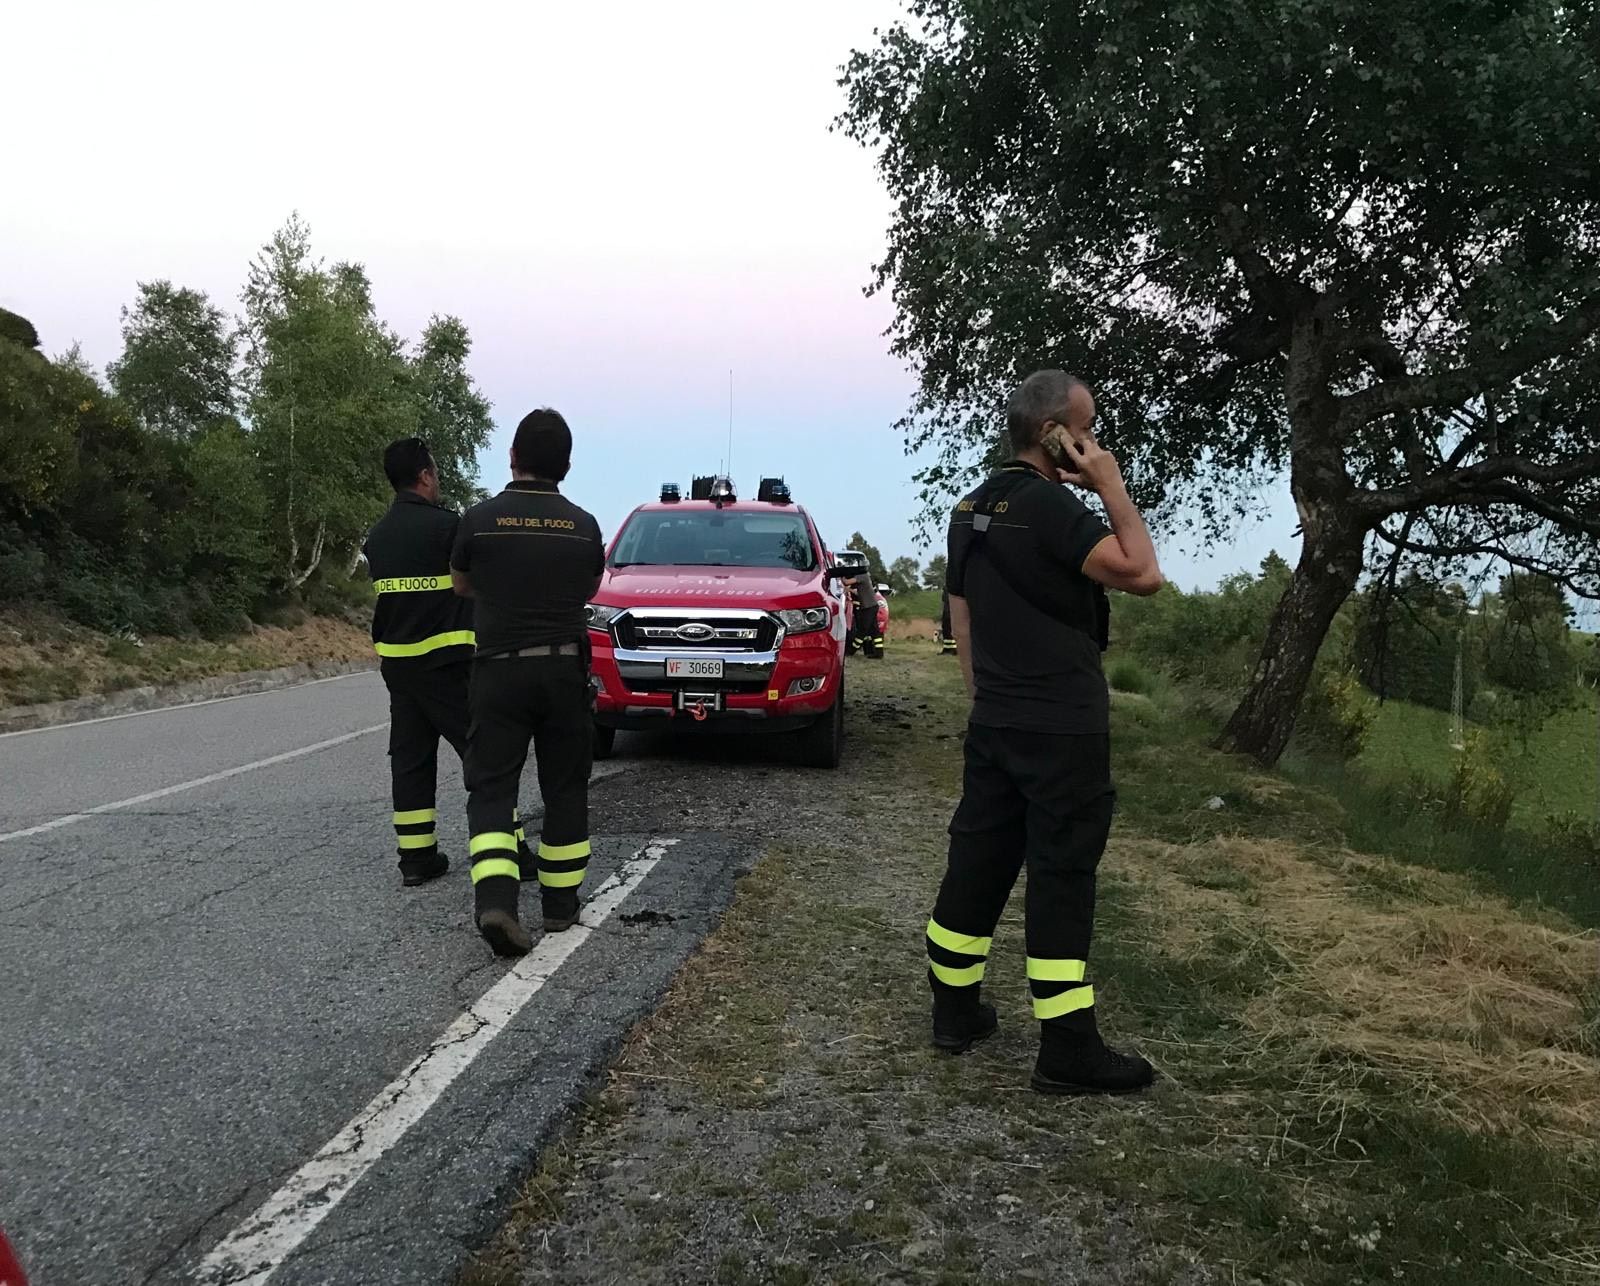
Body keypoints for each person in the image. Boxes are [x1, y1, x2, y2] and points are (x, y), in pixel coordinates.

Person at [928, 369, 1163, 1095]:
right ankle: (1067, 1050)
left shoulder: (971, 507)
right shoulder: (1053, 507)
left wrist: (983, 699)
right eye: (1085, 431)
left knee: (979, 861)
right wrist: (1110, 482)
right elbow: (1142, 572)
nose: (1093, 444)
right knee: (1061, 876)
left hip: (996, 718)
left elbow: (959, 613)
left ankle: (954, 1014)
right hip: (1063, 727)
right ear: (1051, 434)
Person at [451, 409, 606, 957]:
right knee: (565, 787)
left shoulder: (477, 520)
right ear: (565, 465)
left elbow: (463, 584)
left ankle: (497, 901)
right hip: (564, 669)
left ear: (512, 456)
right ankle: (561, 909)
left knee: (492, 786)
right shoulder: (584, 525)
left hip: (497, 670)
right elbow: (589, 589)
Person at [362, 438, 535, 886]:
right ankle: (511, 850)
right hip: (449, 665)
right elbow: (480, 582)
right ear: (424, 476)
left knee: (411, 758)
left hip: (399, 667)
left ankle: (416, 858)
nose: (436, 479)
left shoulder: (377, 537)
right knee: (484, 758)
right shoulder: (447, 528)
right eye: (434, 472)